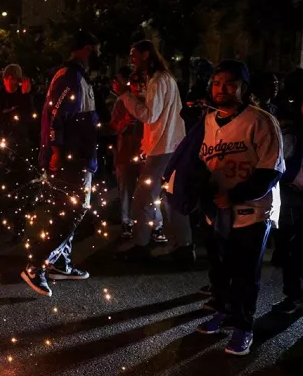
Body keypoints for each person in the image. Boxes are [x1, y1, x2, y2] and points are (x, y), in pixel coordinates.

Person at [194, 60, 284, 355]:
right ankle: (223, 312)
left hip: (251, 213)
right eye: (217, 82)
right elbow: (203, 163)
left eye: (230, 83)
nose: (222, 89)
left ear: (244, 88)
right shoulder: (209, 120)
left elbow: (271, 169)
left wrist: (235, 195)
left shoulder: (260, 120)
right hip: (217, 213)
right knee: (219, 270)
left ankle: (243, 325)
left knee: (245, 273)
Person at [19, 31, 100, 296]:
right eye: (96, 49)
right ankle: (37, 265)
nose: (99, 54)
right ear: (88, 48)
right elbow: (57, 114)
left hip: (77, 155)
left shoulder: (78, 77)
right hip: (70, 158)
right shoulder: (70, 76)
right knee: (74, 210)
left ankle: (60, 264)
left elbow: (81, 119)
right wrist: (54, 148)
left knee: (65, 210)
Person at [114, 40, 194, 263]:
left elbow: (150, 116)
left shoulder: (159, 81)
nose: (131, 60)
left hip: (163, 147)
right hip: (170, 145)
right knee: (170, 197)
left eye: (134, 55)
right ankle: (182, 246)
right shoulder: (162, 79)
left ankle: (141, 244)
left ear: (146, 54)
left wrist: (125, 95)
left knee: (143, 196)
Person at [271, 91, 303, 315]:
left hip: (295, 195)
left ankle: (297, 295)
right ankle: (300, 295)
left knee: (296, 247)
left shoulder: (293, 136)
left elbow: (300, 162)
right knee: (297, 247)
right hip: (297, 195)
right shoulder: (300, 134)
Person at [110, 67, 165, 240]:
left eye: (143, 83)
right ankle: (127, 223)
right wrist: (124, 122)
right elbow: (113, 127)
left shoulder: (151, 102)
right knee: (126, 189)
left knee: (150, 190)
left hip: (147, 154)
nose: (139, 86)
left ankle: (155, 225)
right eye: (135, 83)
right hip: (125, 153)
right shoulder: (122, 102)